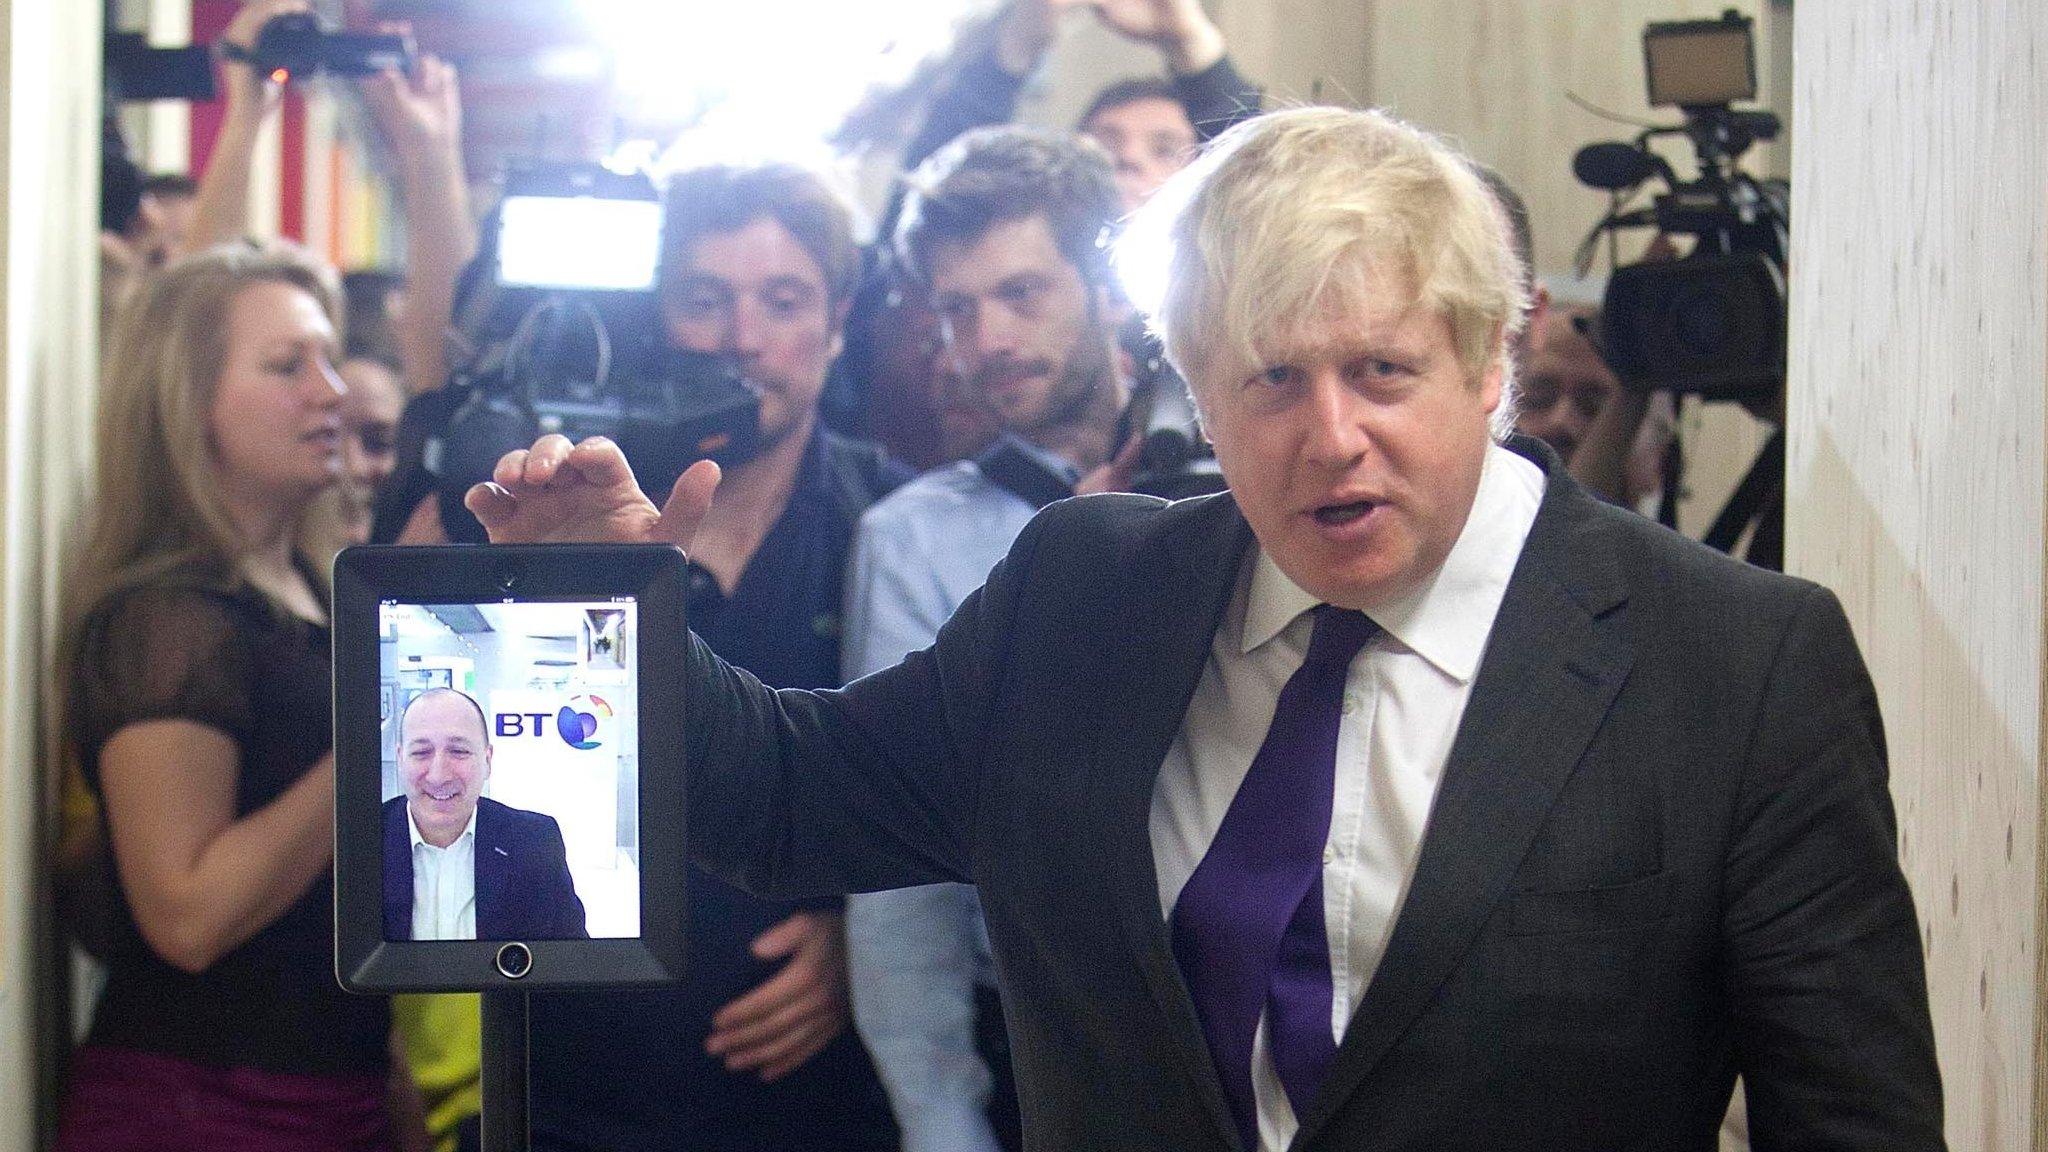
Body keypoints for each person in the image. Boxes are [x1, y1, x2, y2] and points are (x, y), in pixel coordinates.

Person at [469, 107, 1944, 1152]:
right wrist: (606, 611)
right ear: (1188, 383)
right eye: (1270, 380)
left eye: (1382, 369)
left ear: (1492, 359)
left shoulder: (1736, 665)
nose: (1332, 438)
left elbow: (1853, 1121)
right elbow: (789, 801)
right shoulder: (1086, 599)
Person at [516, 162, 904, 1152]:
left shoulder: (897, 527)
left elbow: (957, 790)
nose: (744, 338)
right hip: (570, 1078)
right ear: (659, 314)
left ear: (837, 315)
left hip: (818, 1101)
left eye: (782, 300)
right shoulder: (572, 516)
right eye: (706, 300)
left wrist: (870, 944)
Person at [55, 243, 396, 1150]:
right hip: (201, 1108)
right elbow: (188, 915)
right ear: (187, 400)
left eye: (328, 359)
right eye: (289, 367)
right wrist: (388, 728)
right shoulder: (167, 616)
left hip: (337, 1095)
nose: (332, 392)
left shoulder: (319, 592)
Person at [840, 125, 1131, 1152]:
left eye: (1022, 294)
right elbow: (898, 862)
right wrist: (939, 1125)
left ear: (1108, 283)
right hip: (1037, 1043)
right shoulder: (911, 536)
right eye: (957, 308)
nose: (989, 339)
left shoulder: (1241, 474)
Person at [380, 687, 588, 942]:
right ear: (400, 759)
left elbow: (573, 958)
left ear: (488, 760)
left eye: (459, 751)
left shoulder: (535, 842)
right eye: (421, 753)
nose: (439, 775)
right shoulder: (358, 843)